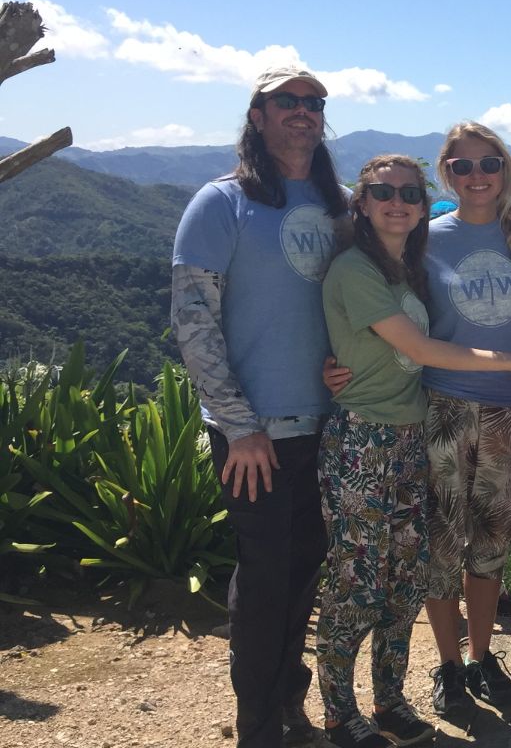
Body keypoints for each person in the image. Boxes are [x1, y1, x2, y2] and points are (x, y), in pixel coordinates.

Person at [315, 154, 511, 748]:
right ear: (362, 202)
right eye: (381, 192)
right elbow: (420, 349)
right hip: (363, 441)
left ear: (425, 206)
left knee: (401, 581)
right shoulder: (355, 269)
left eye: (408, 193)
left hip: (408, 433)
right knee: (357, 582)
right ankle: (341, 714)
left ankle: (391, 700)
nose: (395, 201)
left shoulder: (408, 268)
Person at [170, 66, 348, 748]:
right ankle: (258, 728)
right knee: (268, 578)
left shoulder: (341, 202)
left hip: (327, 428)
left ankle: (287, 704)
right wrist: (239, 426)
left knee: (304, 572)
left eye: (313, 102)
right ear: (258, 114)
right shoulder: (220, 203)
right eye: (287, 101)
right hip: (257, 436)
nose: (302, 111)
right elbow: (193, 320)